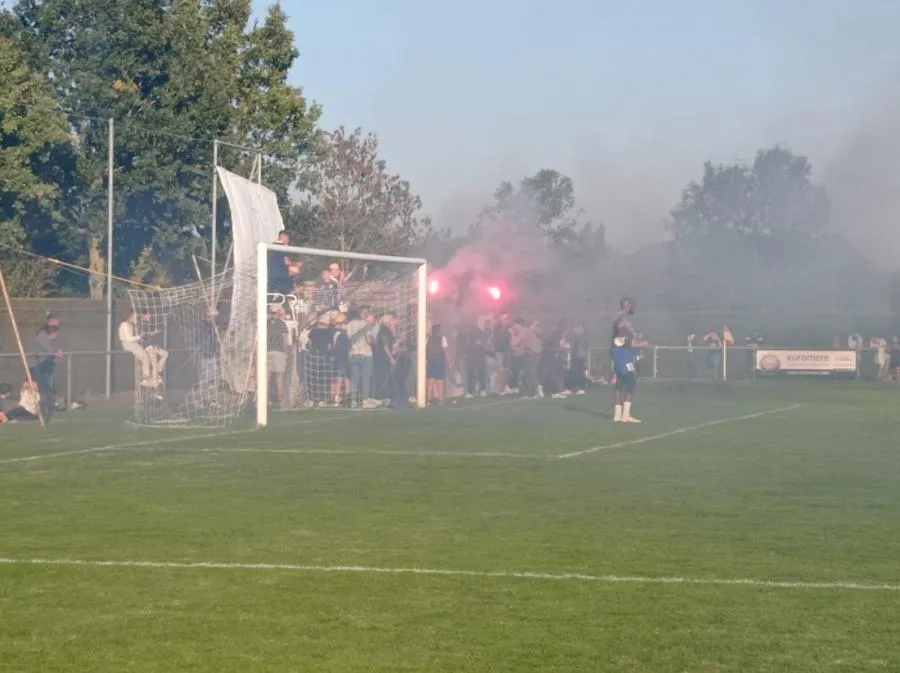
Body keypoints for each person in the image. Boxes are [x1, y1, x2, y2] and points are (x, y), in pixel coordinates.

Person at [26, 325, 61, 423]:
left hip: (43, 369)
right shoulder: (41, 339)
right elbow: (51, 352)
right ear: (52, 333)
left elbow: (55, 353)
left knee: (47, 392)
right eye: (56, 333)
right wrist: (56, 353)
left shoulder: (49, 341)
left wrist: (57, 353)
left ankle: (46, 412)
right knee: (44, 392)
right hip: (36, 369)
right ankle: (43, 412)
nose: (57, 335)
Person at [611, 328, 641, 423]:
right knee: (629, 389)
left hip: (619, 366)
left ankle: (617, 415)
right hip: (627, 366)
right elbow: (639, 344)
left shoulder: (615, 343)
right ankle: (626, 415)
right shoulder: (625, 342)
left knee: (619, 389)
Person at [329, 312, 351, 407]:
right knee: (343, 377)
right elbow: (335, 346)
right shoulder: (339, 334)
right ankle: (341, 396)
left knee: (343, 377)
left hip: (340, 357)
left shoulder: (336, 333)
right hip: (343, 357)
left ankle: (340, 396)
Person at [426, 324, 449, 405]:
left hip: (430, 360)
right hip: (439, 360)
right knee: (440, 381)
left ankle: (428, 400)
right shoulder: (442, 338)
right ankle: (441, 399)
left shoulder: (428, 338)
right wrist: (448, 361)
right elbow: (445, 351)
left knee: (430, 380)